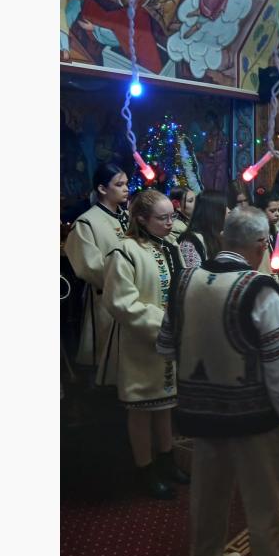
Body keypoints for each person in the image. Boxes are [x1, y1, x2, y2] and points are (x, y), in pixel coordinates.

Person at [157, 205, 279, 556]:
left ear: (224, 238)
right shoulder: (259, 288)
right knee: (264, 509)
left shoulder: (185, 279)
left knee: (207, 496)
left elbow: (166, 345)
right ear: (261, 244)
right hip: (252, 419)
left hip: (200, 414)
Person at [101, 189, 187, 500]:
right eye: (162, 218)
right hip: (141, 342)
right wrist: (164, 322)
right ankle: (145, 468)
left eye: (172, 216)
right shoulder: (125, 251)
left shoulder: (171, 245)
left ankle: (167, 459)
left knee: (165, 405)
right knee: (141, 408)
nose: (170, 223)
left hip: (170, 340)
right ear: (141, 219)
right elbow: (121, 302)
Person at [63, 163, 131, 382]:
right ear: (102, 189)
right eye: (119, 184)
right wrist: (125, 278)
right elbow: (89, 267)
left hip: (133, 294)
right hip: (107, 296)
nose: (126, 189)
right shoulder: (86, 222)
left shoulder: (128, 217)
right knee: (107, 355)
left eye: (126, 184)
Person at [178, 190, 227, 268]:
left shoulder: (220, 236)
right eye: (224, 207)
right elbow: (194, 274)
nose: (229, 211)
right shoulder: (190, 242)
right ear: (214, 213)